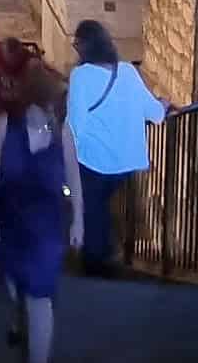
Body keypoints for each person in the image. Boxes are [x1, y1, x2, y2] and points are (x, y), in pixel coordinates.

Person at [0, 61, 81, 363]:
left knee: (39, 299)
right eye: (46, 105)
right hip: (10, 220)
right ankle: (16, 316)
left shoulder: (62, 134)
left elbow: (74, 177)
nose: (51, 112)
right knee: (13, 288)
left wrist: (79, 220)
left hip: (46, 228)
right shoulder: (4, 127)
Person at [65, 19, 167, 276]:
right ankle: (108, 253)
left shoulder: (81, 76)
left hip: (94, 161)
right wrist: (163, 106)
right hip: (125, 163)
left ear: (84, 47)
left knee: (93, 205)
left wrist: (68, 159)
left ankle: (96, 263)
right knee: (102, 204)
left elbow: (76, 124)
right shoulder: (128, 72)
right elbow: (155, 114)